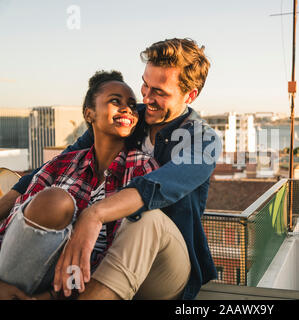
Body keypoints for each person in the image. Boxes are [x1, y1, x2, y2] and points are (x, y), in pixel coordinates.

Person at [1, 38, 221, 300]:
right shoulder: (131, 117)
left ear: (190, 95)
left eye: (159, 93)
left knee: (146, 217)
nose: (146, 98)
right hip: (108, 251)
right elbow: (60, 163)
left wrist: (94, 216)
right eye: (145, 85)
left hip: (163, 263)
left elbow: (158, 185)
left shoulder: (202, 139)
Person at [0, 70, 158, 299]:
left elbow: (120, 252)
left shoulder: (143, 170)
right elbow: (12, 226)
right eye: (115, 101)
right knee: (56, 201)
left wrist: (52, 296)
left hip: (75, 286)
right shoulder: (60, 164)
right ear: (89, 113)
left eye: (132, 105)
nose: (127, 109)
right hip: (16, 271)